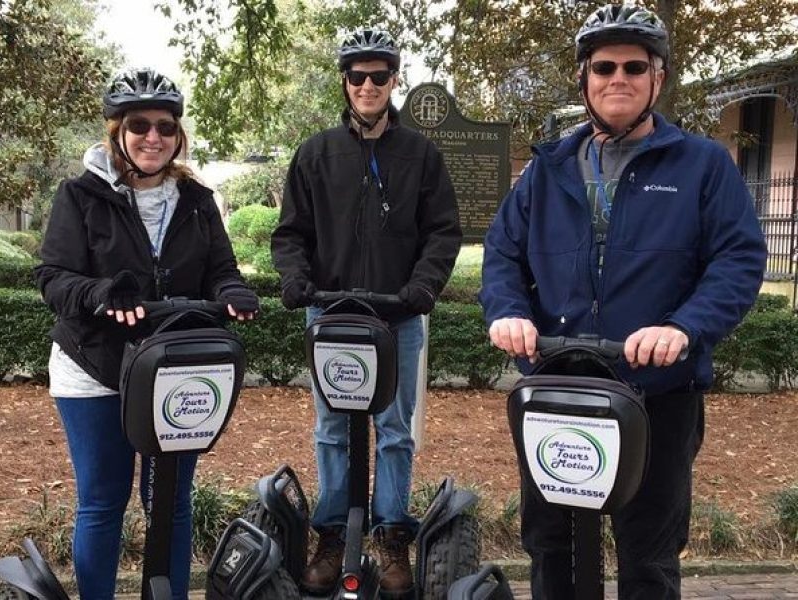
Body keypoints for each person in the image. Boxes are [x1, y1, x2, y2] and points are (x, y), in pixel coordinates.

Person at [479, 5, 767, 599]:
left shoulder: (702, 164)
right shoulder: (548, 168)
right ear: (585, 78)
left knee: (649, 552)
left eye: (635, 66)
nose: (619, 78)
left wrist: (683, 328)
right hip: (557, 383)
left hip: (658, 390)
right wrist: (507, 311)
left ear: (657, 78)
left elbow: (738, 260)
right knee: (551, 542)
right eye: (604, 66)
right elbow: (503, 253)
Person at [34, 67, 259, 600]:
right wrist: (100, 293)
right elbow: (53, 277)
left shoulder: (198, 201)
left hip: (170, 370)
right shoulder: (81, 196)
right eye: (139, 125)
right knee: (104, 500)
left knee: (171, 503)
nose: (153, 137)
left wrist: (232, 291)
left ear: (178, 134)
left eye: (165, 126)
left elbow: (221, 269)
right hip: (93, 366)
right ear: (118, 132)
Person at [271, 27, 462, 598]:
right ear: (345, 82)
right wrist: (296, 279)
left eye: (380, 76)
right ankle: (331, 535)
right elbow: (290, 234)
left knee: (395, 431)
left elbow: (442, 232)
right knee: (332, 429)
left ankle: (391, 538)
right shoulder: (316, 153)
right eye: (357, 76)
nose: (368, 86)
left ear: (394, 80)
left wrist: (422, 286)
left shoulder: (420, 156)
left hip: (395, 318)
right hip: (330, 318)